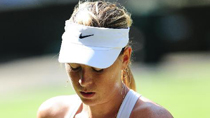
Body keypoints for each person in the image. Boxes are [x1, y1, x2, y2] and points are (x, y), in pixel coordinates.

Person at [37, 1, 173, 118]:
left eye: (98, 69)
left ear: (125, 58)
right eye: (74, 67)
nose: (83, 81)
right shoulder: (52, 113)